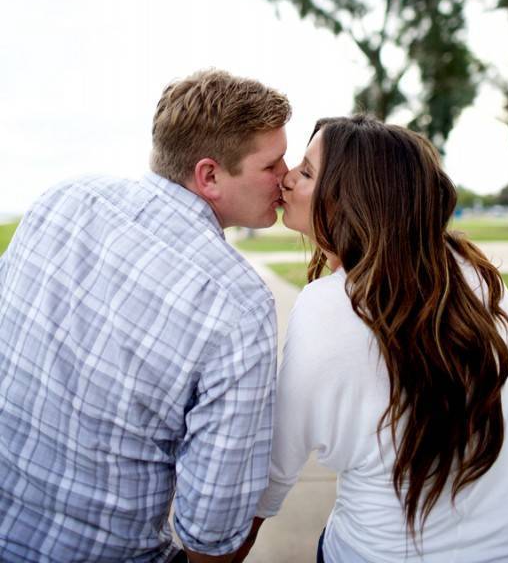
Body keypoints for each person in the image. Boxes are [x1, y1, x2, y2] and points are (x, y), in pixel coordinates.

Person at [0, 69, 291, 563]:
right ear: (210, 175)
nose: (287, 176)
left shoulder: (63, 198)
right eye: (272, 164)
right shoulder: (239, 304)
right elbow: (211, 533)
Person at [256, 115, 508, 562]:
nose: (287, 178)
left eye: (306, 172)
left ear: (353, 200)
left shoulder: (326, 305)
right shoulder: (467, 271)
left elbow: (275, 468)